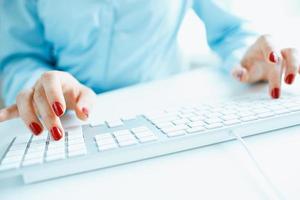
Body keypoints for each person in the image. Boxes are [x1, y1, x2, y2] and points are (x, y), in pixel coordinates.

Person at [0, 0, 298, 141]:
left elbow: (232, 30)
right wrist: (42, 90)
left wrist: (247, 60)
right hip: (68, 126)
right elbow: (18, 58)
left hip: (169, 120)